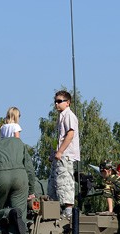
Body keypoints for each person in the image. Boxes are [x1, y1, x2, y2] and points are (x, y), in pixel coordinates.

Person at [47, 90, 79, 218]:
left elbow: (70, 135)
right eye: (55, 101)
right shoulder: (61, 117)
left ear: (67, 103)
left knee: (64, 183)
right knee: (54, 184)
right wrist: (53, 152)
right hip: (59, 155)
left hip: (66, 155)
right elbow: (58, 137)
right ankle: (57, 211)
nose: (56, 104)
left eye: (60, 101)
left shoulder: (69, 115)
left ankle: (68, 212)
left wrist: (60, 151)